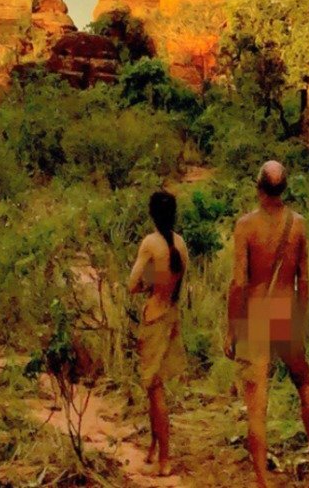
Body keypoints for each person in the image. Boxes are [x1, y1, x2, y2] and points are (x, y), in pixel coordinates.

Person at [226, 160, 309, 487]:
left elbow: (238, 283)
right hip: (286, 311)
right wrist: (301, 319)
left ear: (258, 187)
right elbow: (304, 279)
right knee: (303, 381)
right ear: (283, 188)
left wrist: (231, 330)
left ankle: (262, 479)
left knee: (256, 403)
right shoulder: (298, 225)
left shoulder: (245, 226)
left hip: (256, 316)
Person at [129, 187, 189, 476]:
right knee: (156, 387)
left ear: (152, 214)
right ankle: (154, 449)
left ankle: (165, 459)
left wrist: (146, 286)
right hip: (172, 315)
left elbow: (132, 283)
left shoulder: (150, 243)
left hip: (154, 317)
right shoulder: (180, 244)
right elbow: (175, 281)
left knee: (155, 391)